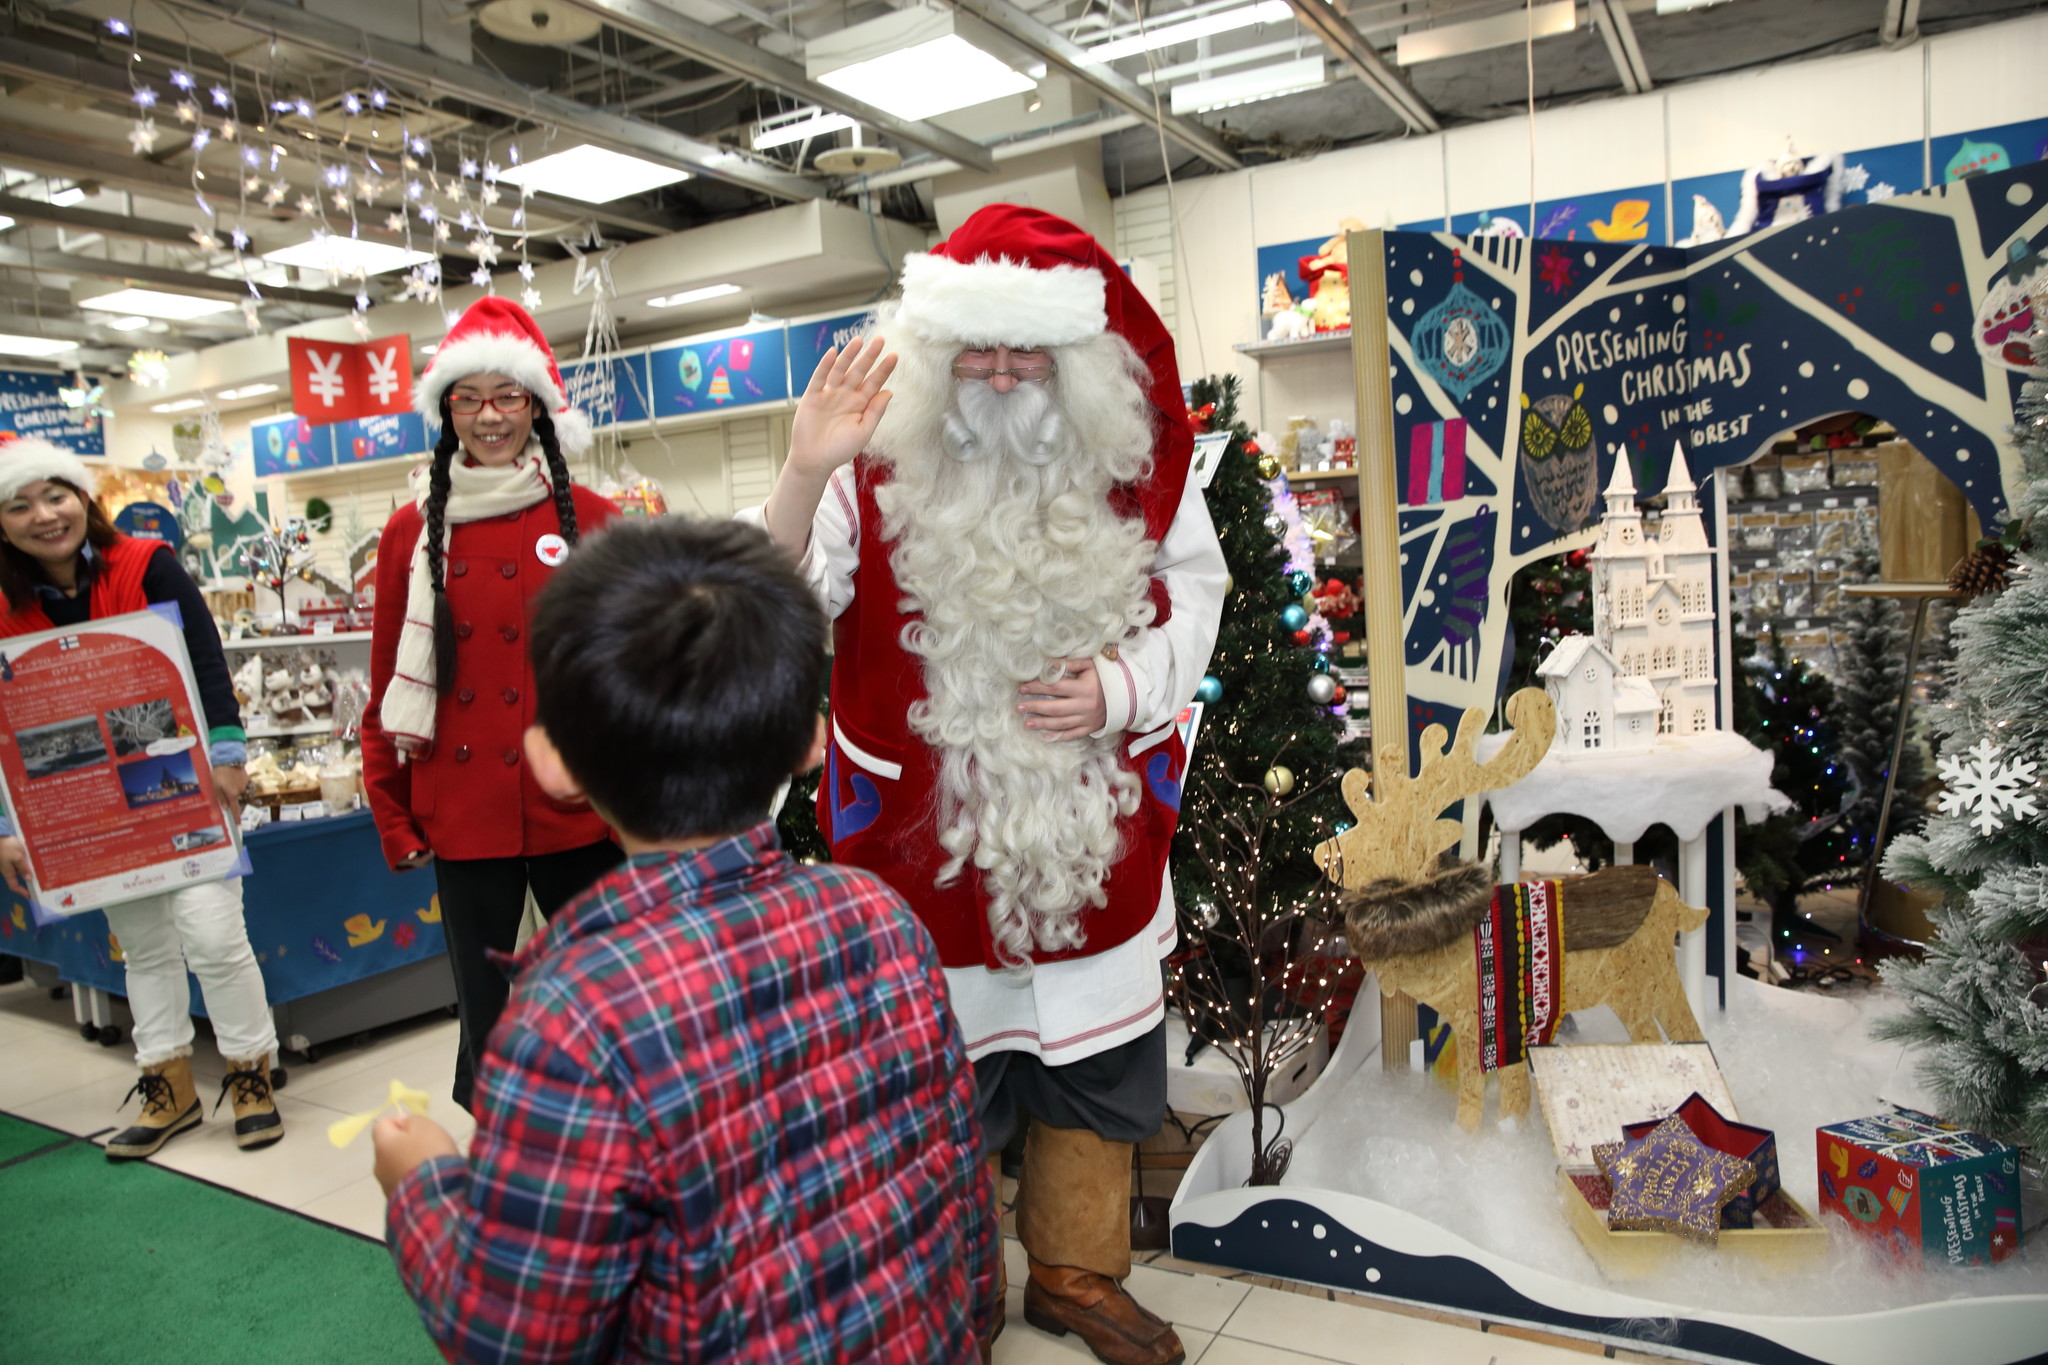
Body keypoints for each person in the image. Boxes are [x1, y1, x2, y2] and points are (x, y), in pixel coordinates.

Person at [756, 204, 1225, 1365]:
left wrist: (1119, 689)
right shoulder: (864, 461)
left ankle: (1072, 1274)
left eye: (1032, 349)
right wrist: (802, 462)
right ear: (935, 351)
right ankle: (948, 1286)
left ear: (1076, 356)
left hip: (1087, 828)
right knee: (936, 1084)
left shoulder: (1133, 459)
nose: (1006, 373)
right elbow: (769, 604)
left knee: (1095, 1068)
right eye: (981, 346)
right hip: (918, 844)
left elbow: (1197, 597)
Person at [370, 516, 997, 1363]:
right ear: (813, 742)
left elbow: (510, 1339)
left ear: (552, 763)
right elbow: (962, 1189)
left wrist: (422, 1182)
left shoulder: (574, 1017)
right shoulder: (882, 918)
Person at [362, 296, 623, 1112]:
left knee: (604, 1003)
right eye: (468, 398)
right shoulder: (412, 530)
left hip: (578, 806)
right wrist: (392, 813)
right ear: (446, 410)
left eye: (506, 396)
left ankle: (610, 1154)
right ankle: (507, 1166)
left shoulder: (598, 521)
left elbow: (630, 685)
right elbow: (384, 683)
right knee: (485, 1009)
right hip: (463, 809)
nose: (489, 416)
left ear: (537, 405)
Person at [0, 435, 282, 1160]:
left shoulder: (144, 564)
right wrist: (7, 824)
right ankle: (169, 1083)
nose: (44, 515)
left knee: (216, 936)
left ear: (82, 496)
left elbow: (208, 661)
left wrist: (227, 755)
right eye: (19, 504)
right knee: (145, 947)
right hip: (85, 800)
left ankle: (252, 1072)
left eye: (55, 494)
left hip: (178, 780)